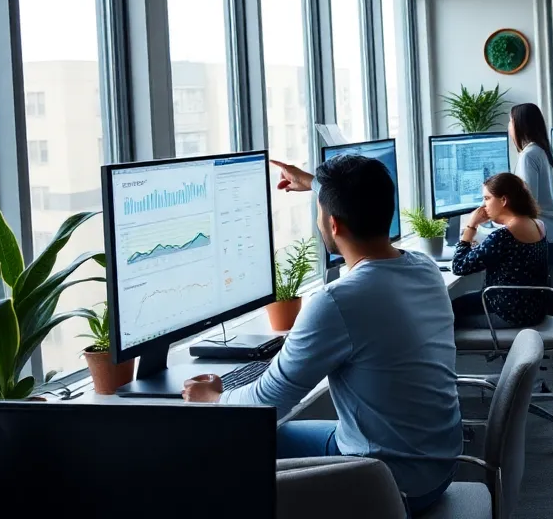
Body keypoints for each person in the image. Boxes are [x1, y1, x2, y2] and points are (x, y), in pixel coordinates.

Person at [183, 156, 462, 517]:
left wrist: (214, 399)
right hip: (438, 467)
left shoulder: (339, 300)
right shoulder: (423, 267)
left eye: (320, 213)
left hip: (390, 485)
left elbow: (269, 402)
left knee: (242, 443)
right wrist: (315, 185)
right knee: (282, 438)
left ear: (332, 223)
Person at [450, 172, 549, 329]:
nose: (483, 205)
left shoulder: (503, 235)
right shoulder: (537, 224)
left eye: (487, 198)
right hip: (533, 309)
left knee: (447, 312)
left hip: (508, 313)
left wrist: (471, 226)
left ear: (503, 200)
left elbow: (459, 266)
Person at [509, 102, 553, 269]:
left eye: (510, 121)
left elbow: (527, 203)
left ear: (520, 125)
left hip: (539, 236)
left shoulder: (529, 155)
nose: (509, 126)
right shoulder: (544, 151)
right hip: (552, 233)